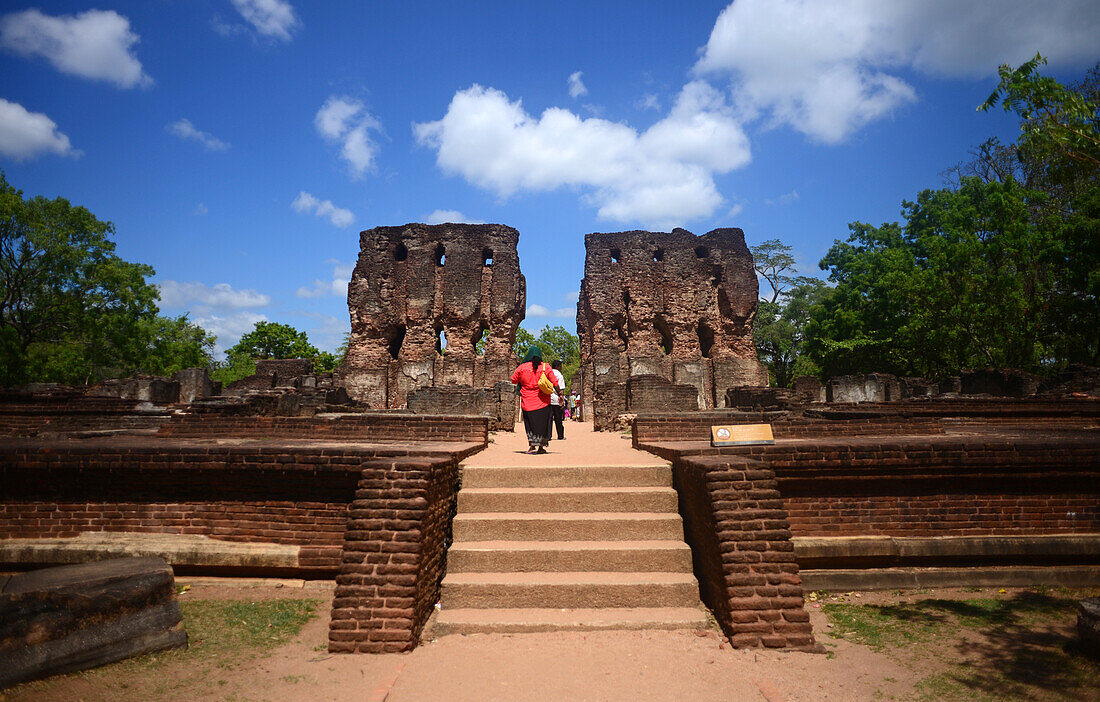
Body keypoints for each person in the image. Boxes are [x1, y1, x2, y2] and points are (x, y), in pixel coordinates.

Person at [510, 345, 563, 454]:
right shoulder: (545, 367)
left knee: (530, 424)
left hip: (527, 402)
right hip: (543, 402)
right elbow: (554, 382)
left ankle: (532, 444)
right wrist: (560, 394)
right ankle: (541, 447)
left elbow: (513, 380)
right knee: (542, 425)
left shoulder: (522, 368)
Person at [549, 360, 566, 440]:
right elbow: (561, 389)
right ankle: (560, 435)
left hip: (547, 399)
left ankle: (548, 436)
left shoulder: (547, 373)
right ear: (558, 366)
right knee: (558, 418)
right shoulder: (559, 375)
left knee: (548, 419)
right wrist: (562, 399)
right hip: (556, 399)